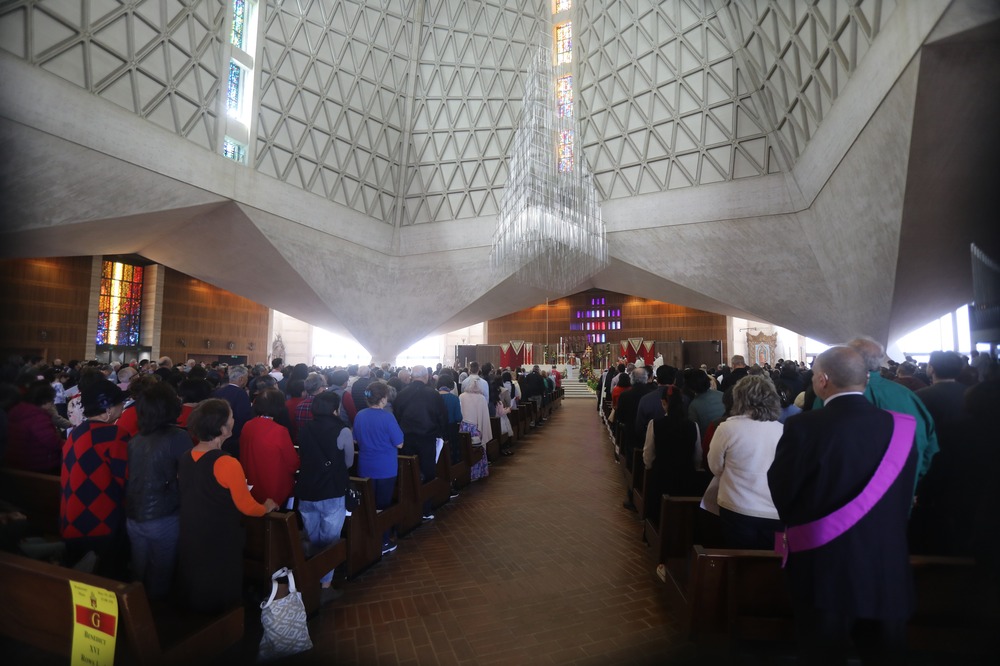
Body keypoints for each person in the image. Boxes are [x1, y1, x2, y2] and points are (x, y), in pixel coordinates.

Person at [768, 346, 918, 664]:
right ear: (865, 378)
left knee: (822, 653)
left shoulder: (804, 427)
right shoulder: (902, 427)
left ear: (822, 380)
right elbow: (904, 494)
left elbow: (783, 492)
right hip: (885, 562)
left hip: (823, 565)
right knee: (885, 653)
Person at [177, 399, 278, 614]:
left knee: (197, 580)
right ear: (222, 428)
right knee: (221, 584)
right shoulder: (227, 463)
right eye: (231, 417)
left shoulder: (187, 456)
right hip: (219, 535)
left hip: (191, 531)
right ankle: (225, 628)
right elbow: (248, 507)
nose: (234, 420)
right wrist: (266, 506)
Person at [125, 381, 191, 599]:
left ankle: (135, 619)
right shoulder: (178, 437)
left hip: (134, 515)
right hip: (163, 515)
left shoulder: (136, 439)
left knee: (138, 574)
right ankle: (153, 626)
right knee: (160, 578)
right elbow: (190, 476)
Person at [60, 379, 130, 577]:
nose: (123, 407)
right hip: (100, 522)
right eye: (120, 404)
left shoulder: (76, 432)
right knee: (107, 577)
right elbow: (126, 478)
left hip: (72, 519)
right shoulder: (114, 434)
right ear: (107, 407)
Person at [707, 375, 784, 549]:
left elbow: (715, 466)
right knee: (773, 563)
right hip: (775, 510)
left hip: (737, 506)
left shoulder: (728, 428)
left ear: (739, 398)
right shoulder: (782, 429)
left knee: (741, 562)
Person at [296, 390, 353, 604]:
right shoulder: (342, 430)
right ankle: (325, 586)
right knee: (330, 538)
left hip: (307, 489)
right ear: (335, 409)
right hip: (331, 489)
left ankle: (310, 578)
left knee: (312, 536)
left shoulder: (306, 428)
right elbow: (348, 462)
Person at [353, 381, 404, 555]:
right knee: (383, 505)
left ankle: (368, 539)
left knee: (368, 504)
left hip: (365, 465)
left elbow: (355, 439)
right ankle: (382, 541)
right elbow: (399, 443)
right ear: (383, 399)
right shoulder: (387, 416)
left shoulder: (360, 415)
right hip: (385, 467)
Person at [393, 365, 449, 519]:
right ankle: (425, 508)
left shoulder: (401, 394)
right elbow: (443, 417)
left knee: (408, 472)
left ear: (411, 377)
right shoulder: (433, 394)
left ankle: (409, 506)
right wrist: (441, 434)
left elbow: (397, 416)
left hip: (406, 439)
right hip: (427, 438)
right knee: (428, 472)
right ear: (426, 377)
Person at [642, 385, 701, 526]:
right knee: (683, 518)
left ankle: (655, 535)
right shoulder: (693, 426)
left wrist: (650, 468)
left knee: (658, 514)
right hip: (685, 476)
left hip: (661, 476)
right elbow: (698, 456)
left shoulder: (655, 424)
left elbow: (648, 455)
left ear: (663, 403)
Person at [240, 388, 300, 508]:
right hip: (275, 485)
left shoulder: (248, 425)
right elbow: (293, 463)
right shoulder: (279, 431)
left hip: (251, 483)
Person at [5, 380, 63, 474]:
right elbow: (52, 442)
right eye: (51, 402)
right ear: (45, 401)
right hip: (39, 465)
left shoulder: (19, 410)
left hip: (19, 462)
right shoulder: (38, 417)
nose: (52, 405)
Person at [458, 378, 491, 481]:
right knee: (478, 450)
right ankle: (477, 473)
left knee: (465, 450)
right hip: (476, 428)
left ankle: (466, 473)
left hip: (464, 427)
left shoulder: (462, 396)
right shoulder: (481, 398)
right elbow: (485, 416)